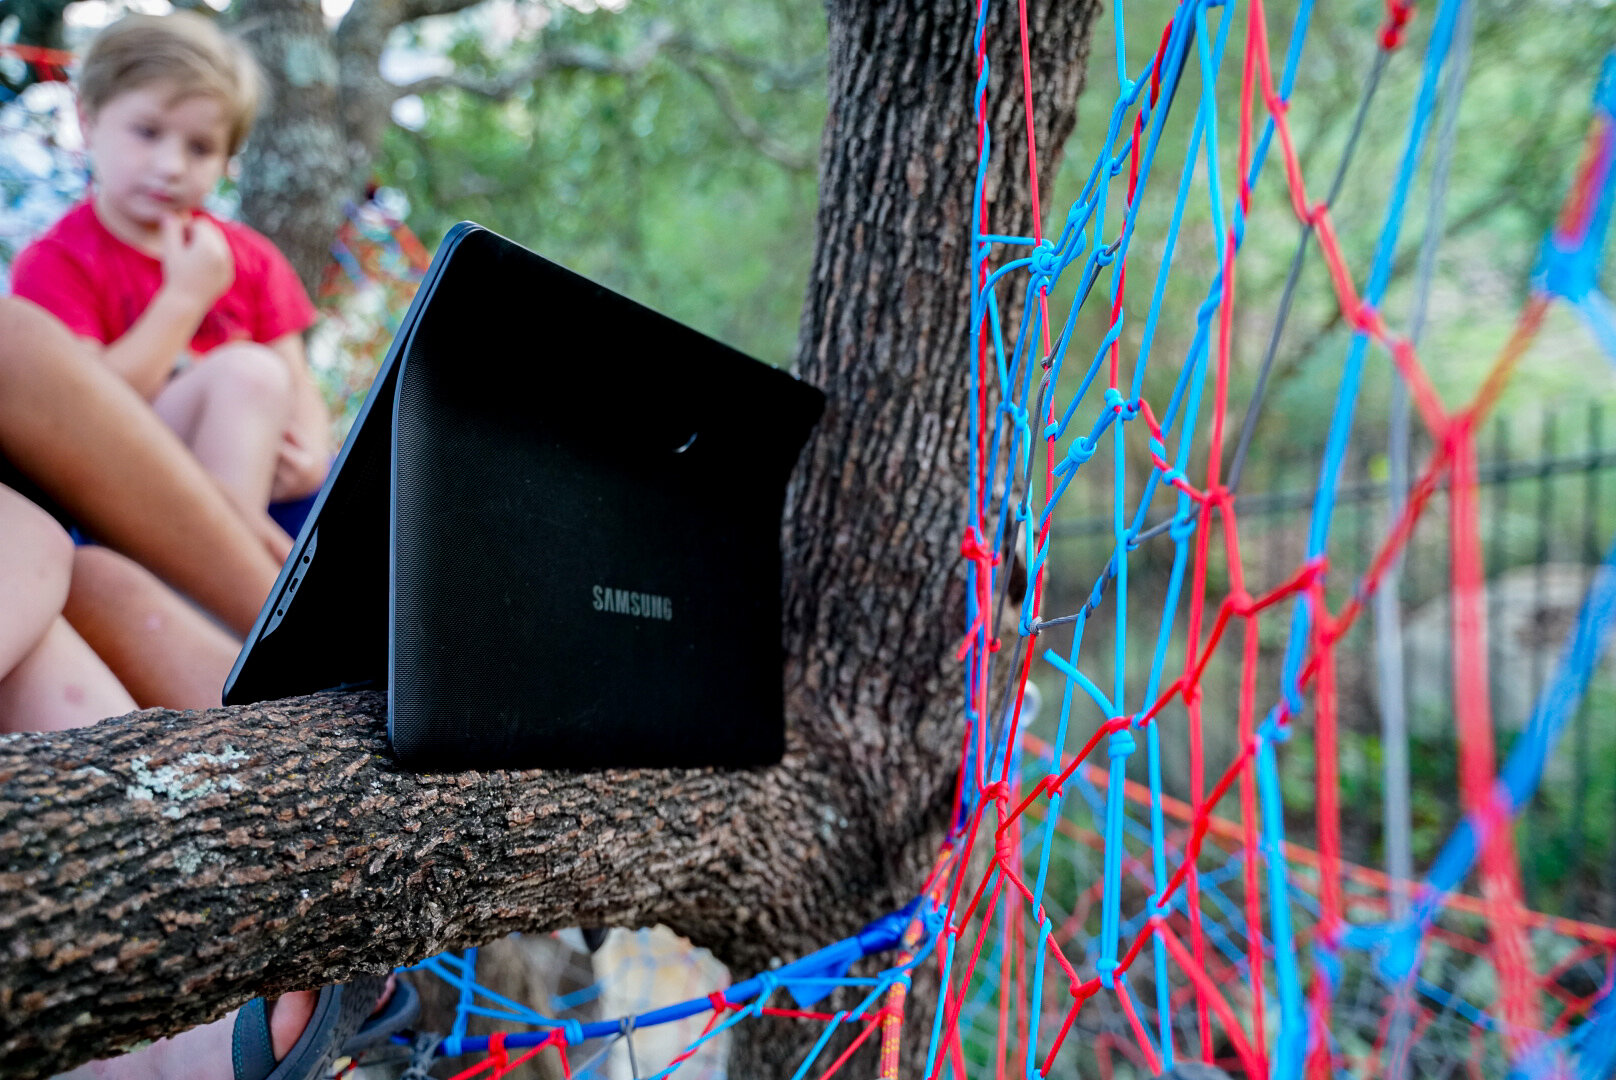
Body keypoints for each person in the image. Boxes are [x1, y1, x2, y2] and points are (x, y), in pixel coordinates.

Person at [9, 11, 331, 544]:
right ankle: (239, 565)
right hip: (125, 494)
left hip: (272, 492)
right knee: (245, 373)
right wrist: (184, 298)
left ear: (227, 158)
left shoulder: (249, 257)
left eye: (200, 148)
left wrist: (314, 454)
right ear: (87, 120)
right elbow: (81, 417)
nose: (171, 166)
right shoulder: (58, 261)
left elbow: (296, 381)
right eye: (147, 132)